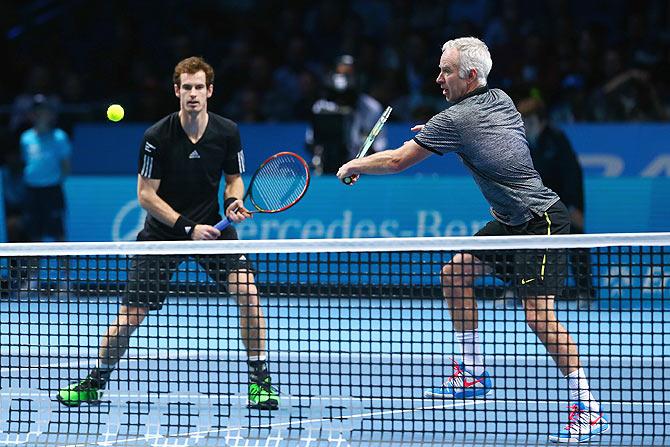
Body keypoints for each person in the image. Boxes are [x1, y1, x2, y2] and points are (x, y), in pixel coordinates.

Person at [336, 37, 609, 443]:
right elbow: (470, 129)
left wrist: (353, 164)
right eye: (440, 68)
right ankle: (472, 373)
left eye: (446, 71)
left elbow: (396, 160)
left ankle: (587, 407)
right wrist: (435, 130)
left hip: (540, 221)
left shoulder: (455, 120)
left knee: (537, 315)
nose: (438, 77)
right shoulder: (500, 98)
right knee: (455, 274)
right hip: (508, 222)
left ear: (471, 76)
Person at [56, 56, 279, 410]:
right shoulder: (157, 136)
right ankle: (94, 381)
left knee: (247, 292)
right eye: (186, 87)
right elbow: (146, 195)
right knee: (131, 315)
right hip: (164, 232)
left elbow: (234, 179)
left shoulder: (227, 131)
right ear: (177, 91)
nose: (193, 94)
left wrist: (233, 201)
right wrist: (188, 229)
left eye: (199, 87)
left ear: (210, 91)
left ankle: (260, 381)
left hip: (213, 228)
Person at [517, 97, 595, 300]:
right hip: (533, 206)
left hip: (562, 205)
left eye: (528, 120)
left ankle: (585, 291)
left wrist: (576, 207)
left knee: (576, 243)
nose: (524, 125)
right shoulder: (521, 142)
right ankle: (516, 290)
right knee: (518, 245)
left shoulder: (557, 140)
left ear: (540, 120)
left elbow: (572, 175)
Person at [306, 55, 387, 174]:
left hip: (360, 172)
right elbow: (311, 142)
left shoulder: (372, 108)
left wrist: (360, 160)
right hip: (328, 170)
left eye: (349, 73)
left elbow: (379, 146)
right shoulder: (321, 107)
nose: (342, 101)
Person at [19, 94, 71, 242]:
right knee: (34, 236)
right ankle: (35, 266)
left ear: (50, 114)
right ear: (31, 115)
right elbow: (26, 162)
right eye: (36, 111)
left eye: (43, 110)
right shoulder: (25, 138)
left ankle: (65, 266)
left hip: (52, 191)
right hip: (31, 192)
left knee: (59, 234)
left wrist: (52, 181)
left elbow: (66, 166)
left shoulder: (60, 137)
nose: (40, 114)